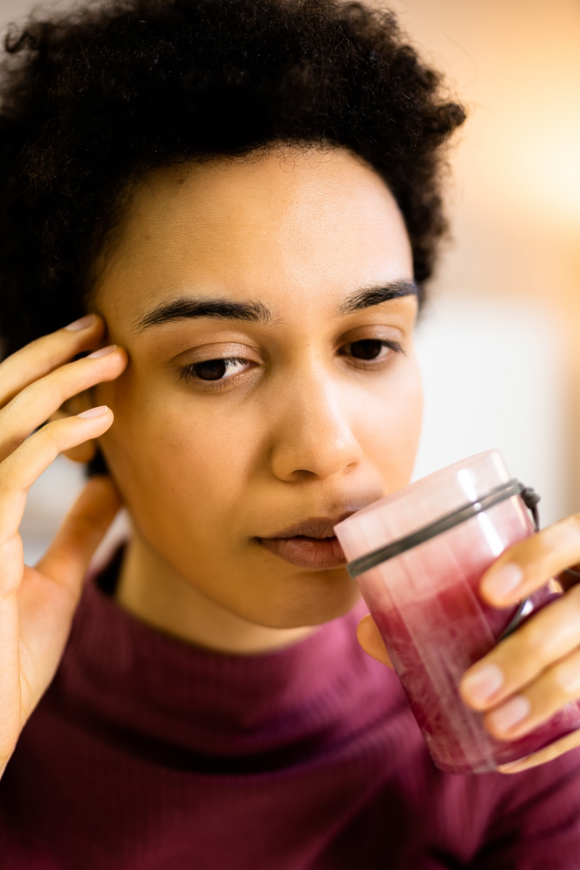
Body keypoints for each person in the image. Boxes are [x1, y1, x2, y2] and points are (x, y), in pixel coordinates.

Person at [0, 0, 580, 866]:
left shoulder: (521, 722)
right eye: (216, 364)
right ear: (66, 404)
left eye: (369, 345)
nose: (326, 447)